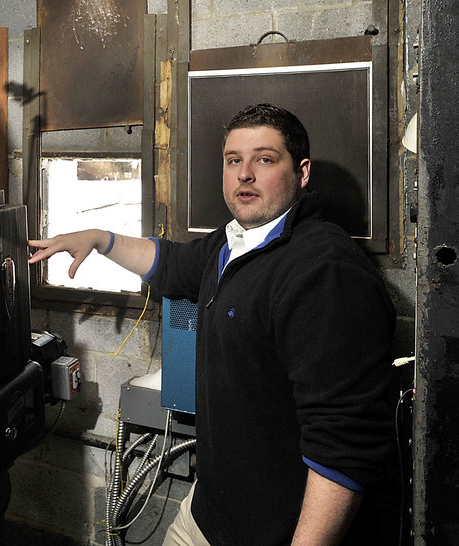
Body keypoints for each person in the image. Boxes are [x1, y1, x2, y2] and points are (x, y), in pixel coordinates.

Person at [28, 104, 398, 545]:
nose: (244, 174)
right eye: (233, 160)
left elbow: (344, 449)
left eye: (264, 159)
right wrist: (100, 239)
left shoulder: (324, 272)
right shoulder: (234, 242)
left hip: (277, 532)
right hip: (209, 512)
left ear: (301, 173)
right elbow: (169, 263)